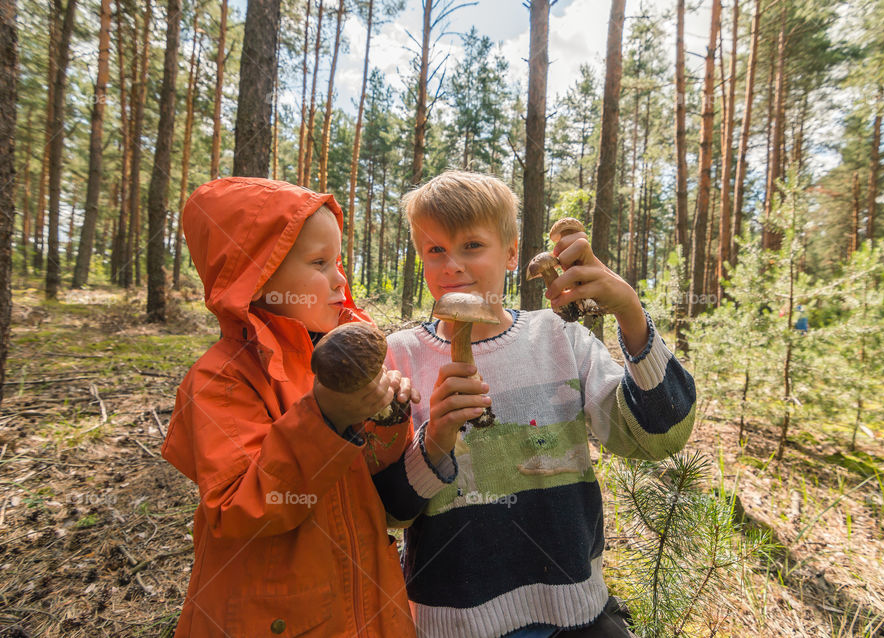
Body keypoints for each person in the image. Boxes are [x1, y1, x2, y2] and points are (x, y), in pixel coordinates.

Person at [373, 171, 696, 638]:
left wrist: (629, 309)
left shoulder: (560, 339)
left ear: (511, 253)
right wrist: (435, 443)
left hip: (572, 608)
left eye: (471, 246)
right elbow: (387, 512)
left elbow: (657, 436)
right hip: (454, 618)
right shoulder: (400, 356)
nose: (452, 266)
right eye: (435, 250)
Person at [161, 177, 418, 637]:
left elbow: (373, 476)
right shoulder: (221, 380)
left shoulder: (337, 359)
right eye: (319, 263)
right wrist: (326, 417)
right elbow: (238, 508)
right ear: (256, 279)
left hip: (366, 599)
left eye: (337, 261)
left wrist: (386, 413)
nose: (340, 278)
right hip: (275, 617)